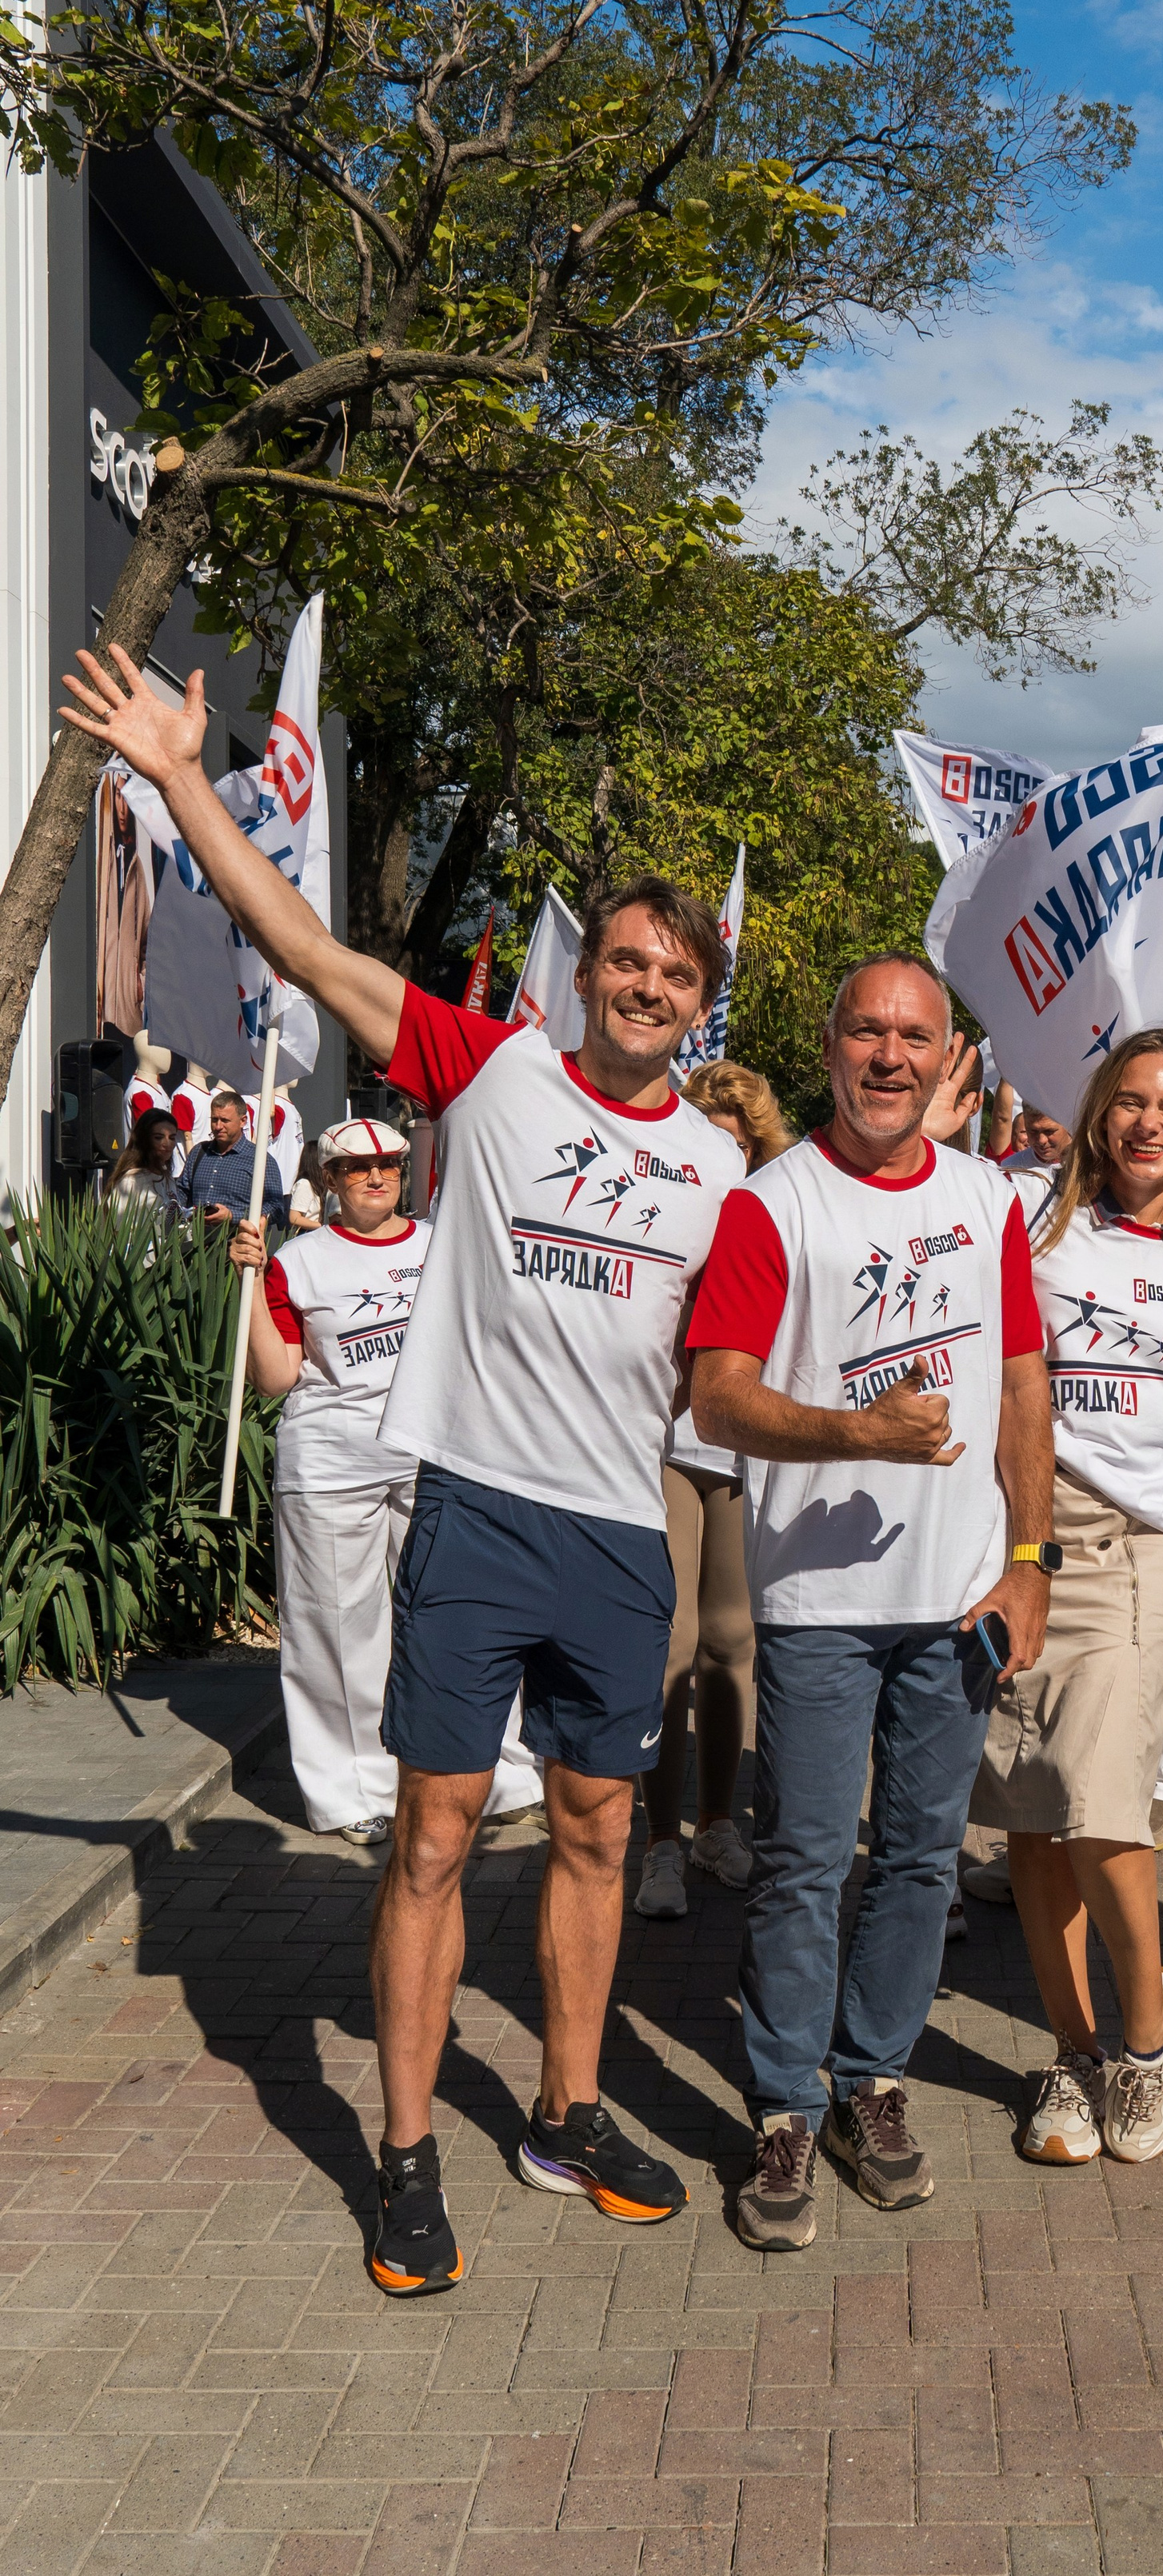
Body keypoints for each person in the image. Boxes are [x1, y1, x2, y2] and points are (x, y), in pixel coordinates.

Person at [61, 636, 743, 2298]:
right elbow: (301, 938)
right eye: (629, 962)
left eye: (675, 974)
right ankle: (410, 2146)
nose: (647, 987)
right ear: (591, 977)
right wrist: (174, 778)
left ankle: (569, 2111)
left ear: (699, 1000)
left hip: (616, 1536)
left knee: (594, 1827)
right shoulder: (490, 1063)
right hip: (481, 1516)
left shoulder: (725, 1162)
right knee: (431, 1833)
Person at [689, 951, 1054, 2252]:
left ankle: (871, 2081)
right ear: (830, 1044)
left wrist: (1034, 1557)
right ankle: (785, 2101)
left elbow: (1021, 1385)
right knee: (799, 1859)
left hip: (959, 1598)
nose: (889, 1056)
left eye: (913, 1035)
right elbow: (716, 1393)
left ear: (944, 1053)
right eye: (866, 1031)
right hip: (820, 1599)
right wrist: (858, 1432)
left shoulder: (988, 1197)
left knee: (918, 1854)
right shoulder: (771, 1204)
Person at [973, 1028, 1163, 2168]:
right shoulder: (1027, 1209)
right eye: (1130, 1101)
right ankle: (1075, 2052)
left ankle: (1148, 2039)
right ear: (1094, 1112)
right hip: (1020, 1532)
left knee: (1101, 1803)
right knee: (1032, 1810)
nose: (1149, 1123)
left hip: (1144, 1542)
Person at [226, 1120, 540, 1850]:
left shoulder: (442, 1241)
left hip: (438, 1457)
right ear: (329, 1180)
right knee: (339, 1632)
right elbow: (275, 1378)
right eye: (357, 1166)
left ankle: (497, 1774)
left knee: (465, 1623)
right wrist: (245, 1279)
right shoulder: (298, 1262)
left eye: (390, 1165)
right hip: (332, 1466)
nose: (376, 1176)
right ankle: (352, 1791)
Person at [635, 1060, 797, 1919]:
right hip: (663, 1442)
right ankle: (659, 1843)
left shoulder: (774, 1212)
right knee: (673, 1638)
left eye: (739, 1140)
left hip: (741, 1451)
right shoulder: (667, 1211)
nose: (725, 1152)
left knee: (733, 1640)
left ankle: (717, 1825)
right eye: (711, 1137)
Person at [174, 1083, 286, 1229]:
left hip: (235, 1244)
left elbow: (276, 1206)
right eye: (214, 1120)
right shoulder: (199, 1152)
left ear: (243, 1121)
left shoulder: (260, 1160)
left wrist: (233, 1216)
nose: (218, 1126)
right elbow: (182, 1191)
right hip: (194, 1243)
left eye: (225, 1121)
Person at [109, 1108, 181, 1221]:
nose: (167, 1144)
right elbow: (117, 1228)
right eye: (158, 1137)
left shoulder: (168, 1178)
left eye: (172, 1138)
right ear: (144, 1140)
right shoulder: (131, 1181)